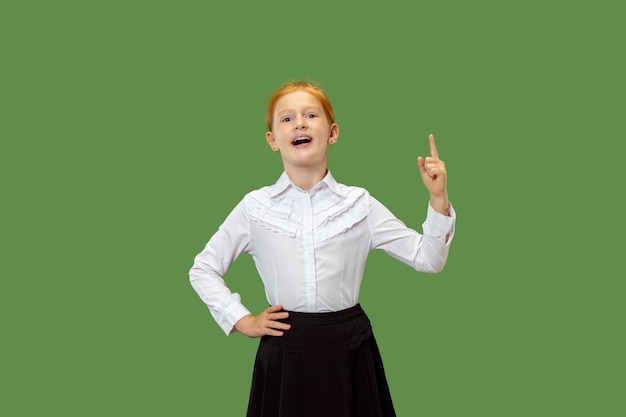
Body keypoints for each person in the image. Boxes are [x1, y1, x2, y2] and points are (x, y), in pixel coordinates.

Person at [189, 81, 456, 417]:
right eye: (286, 119)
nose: (299, 123)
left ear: (332, 133)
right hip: (284, 348)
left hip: (350, 349)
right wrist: (241, 320)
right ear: (272, 140)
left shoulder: (360, 204)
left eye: (310, 115)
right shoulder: (254, 207)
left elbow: (428, 259)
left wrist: (438, 200)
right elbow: (203, 269)